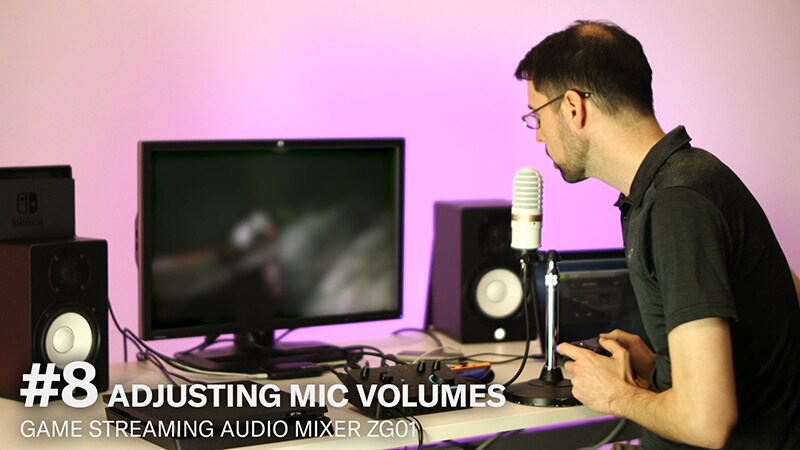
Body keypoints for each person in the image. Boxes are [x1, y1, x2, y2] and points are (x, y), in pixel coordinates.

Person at [514, 20, 800, 449]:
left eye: (537, 115)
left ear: (573, 107)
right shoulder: (684, 180)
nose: (538, 133)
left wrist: (615, 395)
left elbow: (707, 422)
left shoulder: (676, 203)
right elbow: (772, 310)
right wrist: (660, 367)